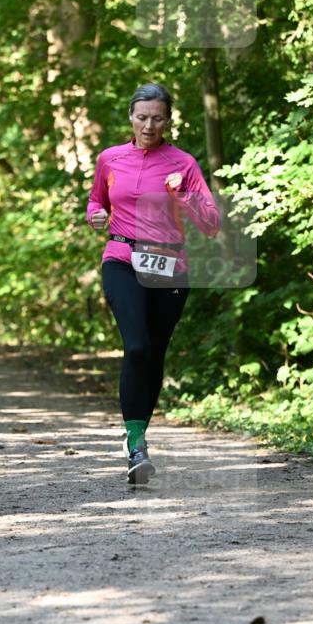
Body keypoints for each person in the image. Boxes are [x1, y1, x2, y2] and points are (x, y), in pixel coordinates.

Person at [87, 82, 221, 484]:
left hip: (169, 264)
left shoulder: (184, 162)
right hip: (122, 259)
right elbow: (97, 201)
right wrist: (95, 215)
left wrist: (185, 195)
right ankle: (135, 445)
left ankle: (139, 438)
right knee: (138, 345)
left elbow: (211, 225)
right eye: (142, 117)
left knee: (156, 353)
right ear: (131, 116)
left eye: (157, 118)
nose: (149, 125)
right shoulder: (110, 159)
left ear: (168, 120)